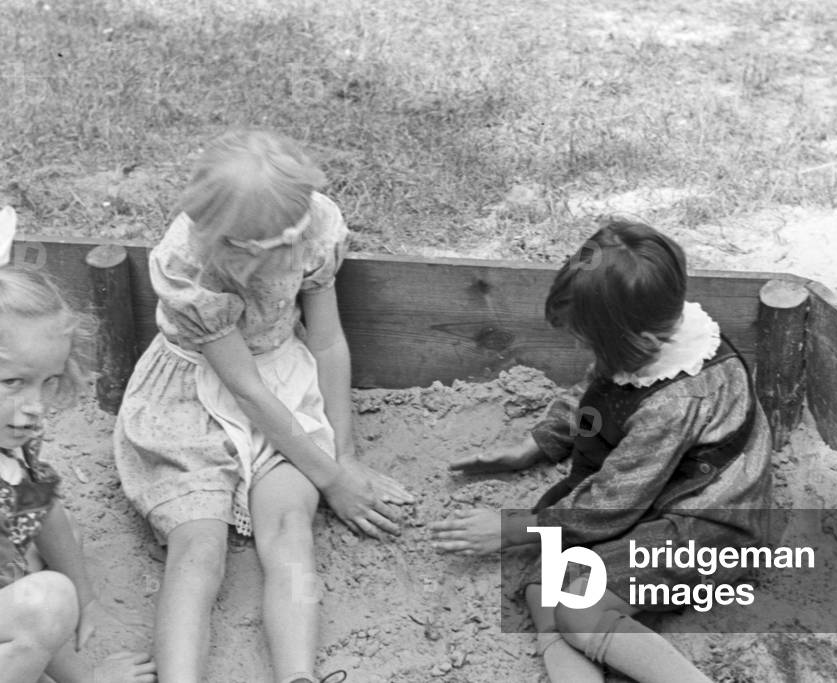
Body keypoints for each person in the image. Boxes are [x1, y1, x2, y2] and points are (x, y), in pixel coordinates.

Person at [113, 131, 412, 683]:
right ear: (231, 243)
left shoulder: (314, 222)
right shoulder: (189, 265)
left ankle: (297, 676)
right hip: (192, 401)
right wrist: (330, 479)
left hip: (285, 387)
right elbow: (244, 388)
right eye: (275, 250)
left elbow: (326, 341)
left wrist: (341, 458)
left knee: (290, 527)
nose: (294, 256)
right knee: (199, 546)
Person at [430, 220, 772, 683]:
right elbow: (599, 390)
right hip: (653, 496)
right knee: (542, 586)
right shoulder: (649, 335)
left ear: (638, 342)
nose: (581, 349)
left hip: (705, 527)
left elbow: (614, 503)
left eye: (587, 340)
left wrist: (512, 528)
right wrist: (539, 442)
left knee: (578, 609)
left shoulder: (675, 401)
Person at [0, 206, 156, 683]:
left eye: (48, 382)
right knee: (46, 599)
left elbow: (41, 511)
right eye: (13, 382)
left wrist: (84, 598)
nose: (35, 406)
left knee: (48, 557)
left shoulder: (13, 439)